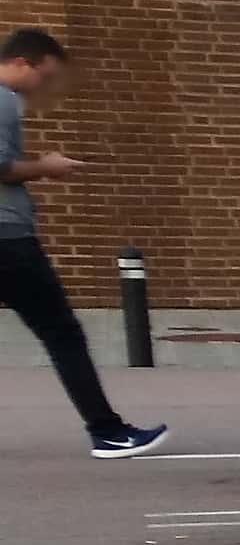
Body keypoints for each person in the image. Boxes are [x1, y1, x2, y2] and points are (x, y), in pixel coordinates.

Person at [0, 28, 169, 459]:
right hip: (8, 241)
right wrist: (46, 166)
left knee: (60, 334)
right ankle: (108, 431)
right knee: (63, 334)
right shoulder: (2, 99)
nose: (44, 87)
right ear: (23, 62)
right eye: (44, 75)